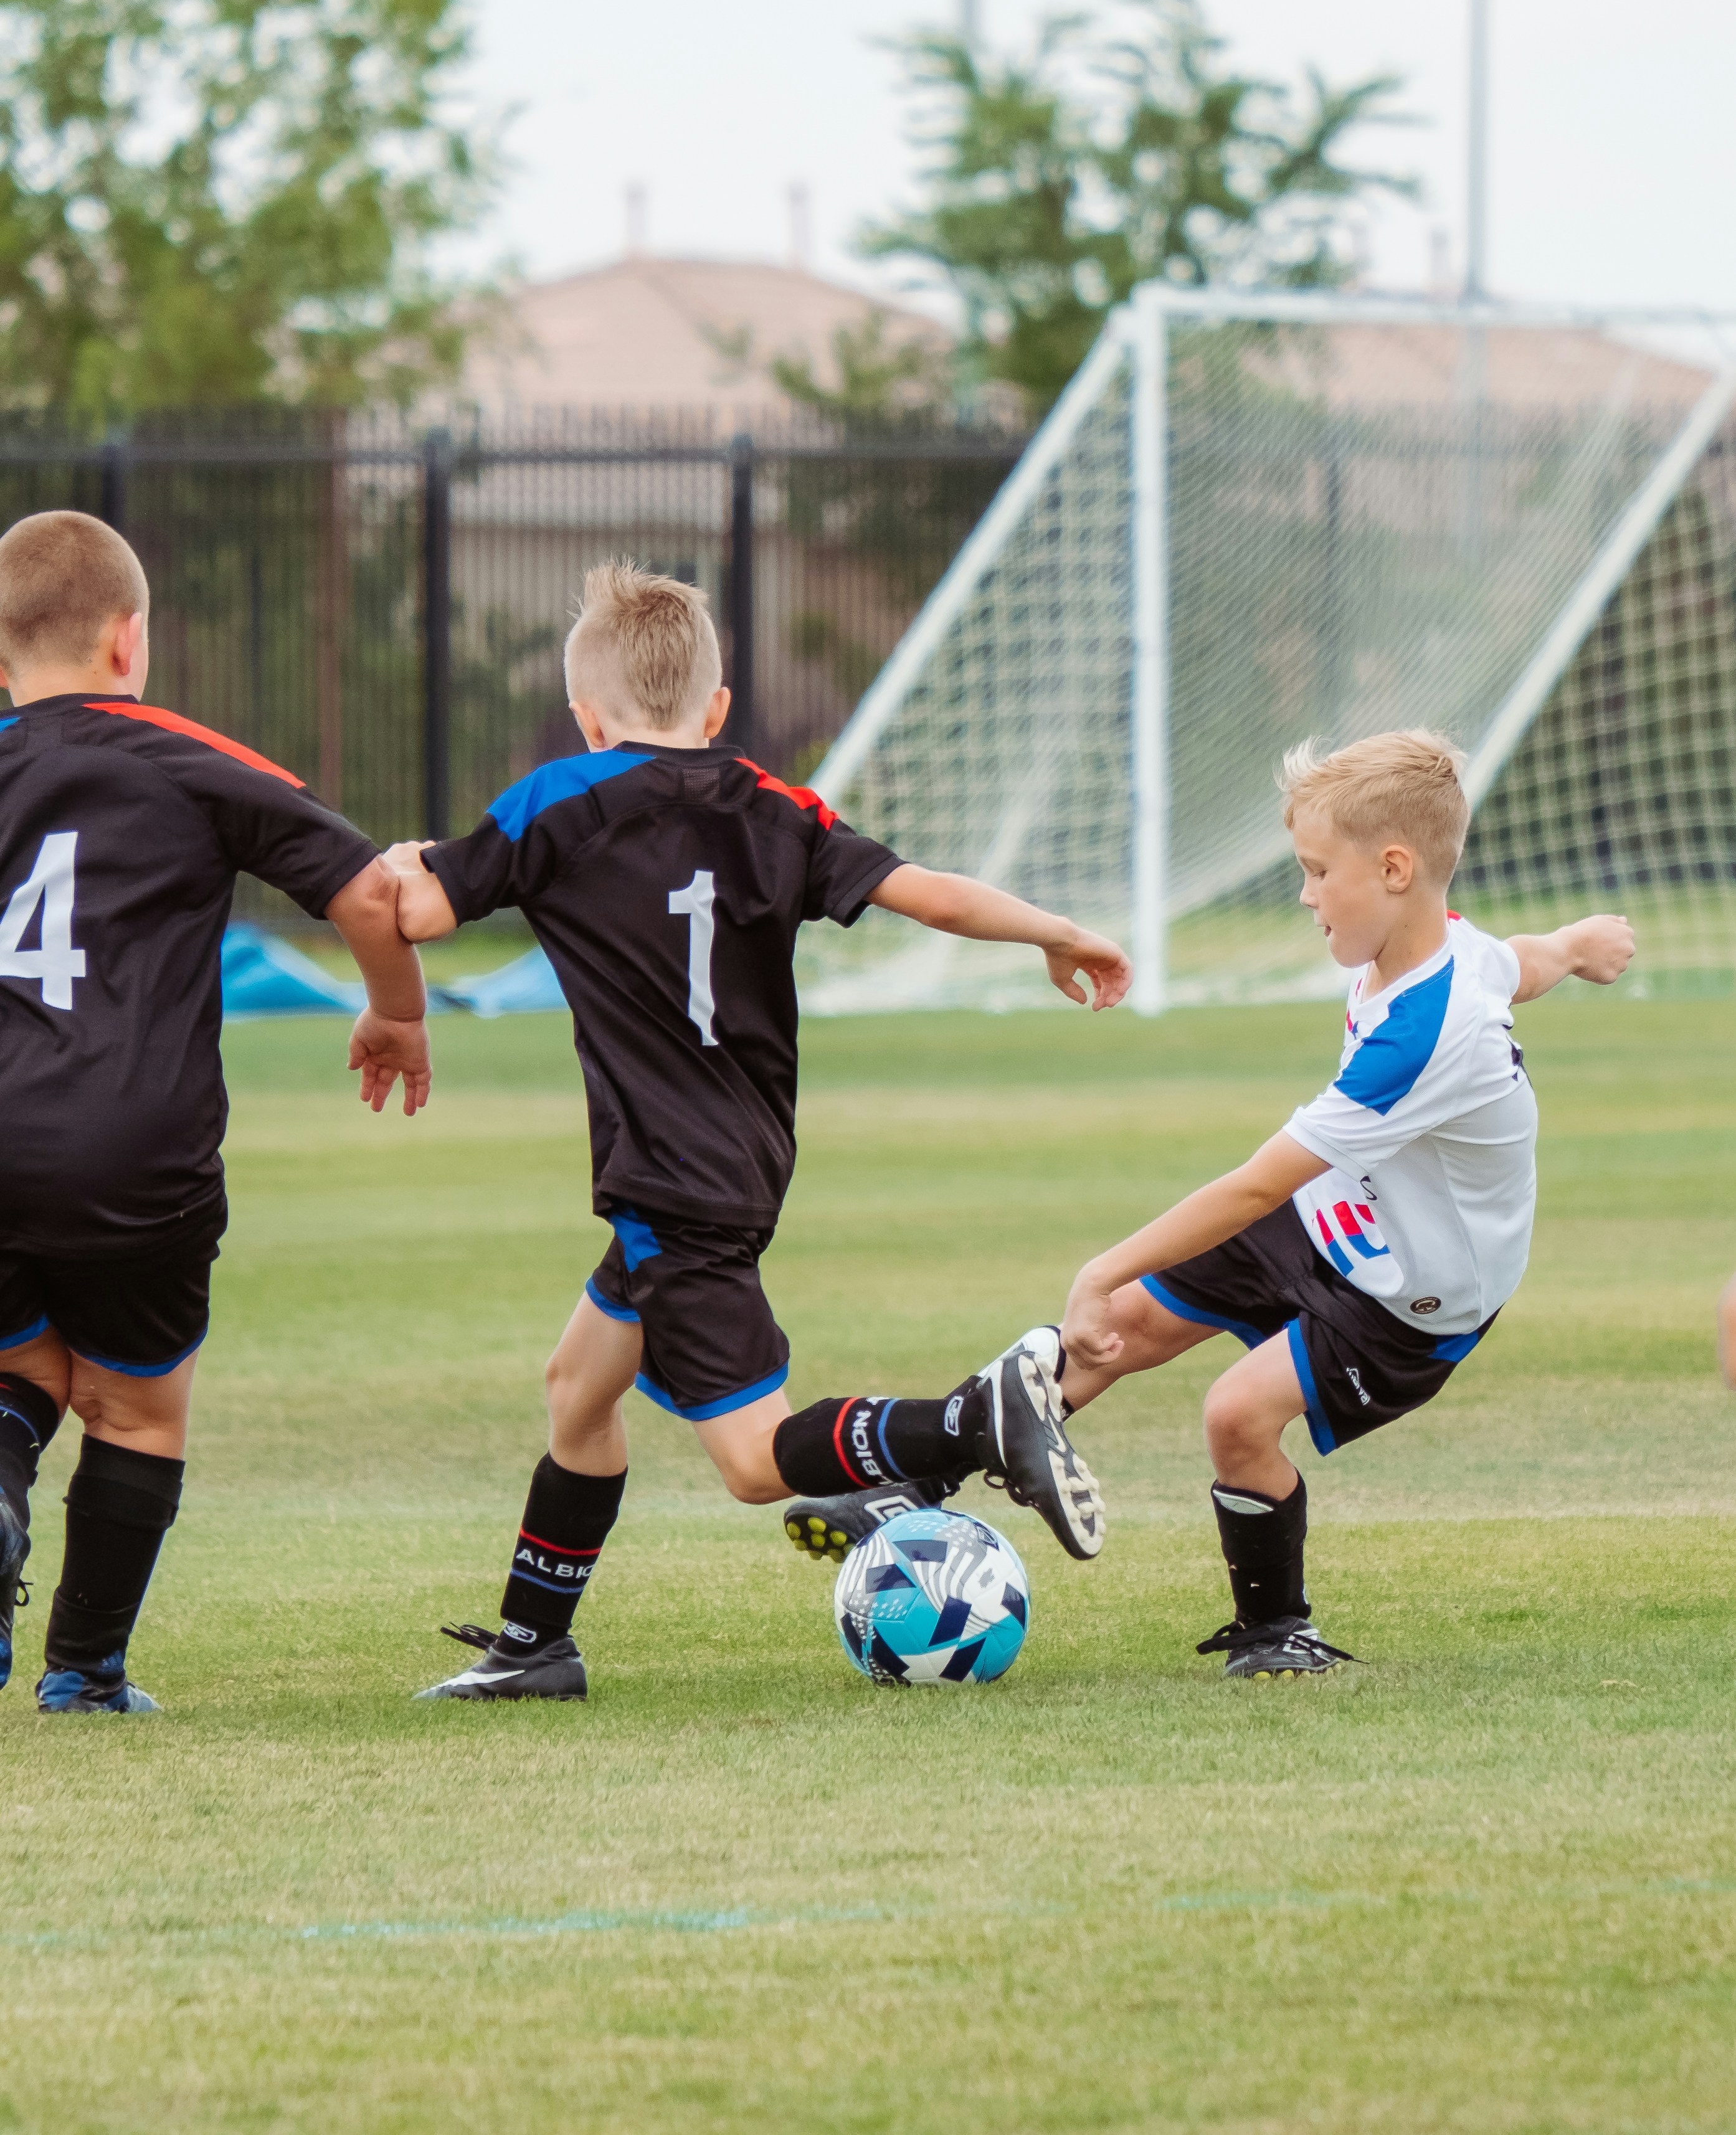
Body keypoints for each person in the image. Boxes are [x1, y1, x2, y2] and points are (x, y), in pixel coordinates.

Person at [387, 561, 1128, 1702]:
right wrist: (1056, 930)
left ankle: (972, 1419)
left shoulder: (558, 799)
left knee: (750, 1462)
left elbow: (421, 909)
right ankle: (536, 1643)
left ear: (586, 718)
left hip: (665, 1180)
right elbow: (922, 888)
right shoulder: (776, 808)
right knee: (578, 1388)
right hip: (739, 1159)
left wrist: (395, 867)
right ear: (719, 710)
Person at [1045, 727, 1636, 1677]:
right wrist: (1577, 943)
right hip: (1347, 1209)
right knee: (1116, 1324)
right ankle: (928, 1463)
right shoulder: (1440, 947)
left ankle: (1280, 1630)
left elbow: (1253, 1185)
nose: (1307, 894)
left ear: (1394, 868)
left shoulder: (1423, 1036)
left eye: (1320, 871)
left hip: (1415, 1299)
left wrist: (1101, 1263)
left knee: (1236, 1414)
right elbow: (1514, 961)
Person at [0, 511, 431, 1715]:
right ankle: (82, 1673)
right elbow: (366, 891)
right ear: (131, 640)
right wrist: (397, 1013)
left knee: (19, 1363)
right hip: (136, 1143)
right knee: (135, 1401)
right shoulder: (187, 756)